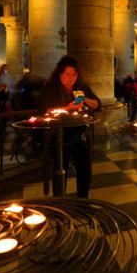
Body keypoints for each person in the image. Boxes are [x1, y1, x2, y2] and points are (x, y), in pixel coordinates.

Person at [38, 56, 101, 198]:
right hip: (59, 136)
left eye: (74, 74)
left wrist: (85, 99)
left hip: (79, 135)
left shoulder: (81, 88)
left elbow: (98, 105)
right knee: (61, 169)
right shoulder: (51, 89)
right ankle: (60, 202)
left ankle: (83, 201)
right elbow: (45, 111)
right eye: (67, 74)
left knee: (84, 169)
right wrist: (68, 107)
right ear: (60, 74)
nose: (71, 78)